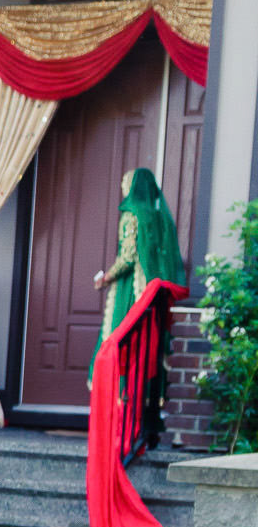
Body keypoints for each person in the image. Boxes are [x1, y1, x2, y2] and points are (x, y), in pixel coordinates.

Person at [91, 167, 186, 423]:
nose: (123, 187)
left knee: (121, 338)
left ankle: (120, 403)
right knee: (146, 345)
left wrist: (105, 278)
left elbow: (128, 257)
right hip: (152, 291)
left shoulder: (132, 215)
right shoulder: (157, 216)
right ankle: (145, 406)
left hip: (132, 289)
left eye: (126, 183)